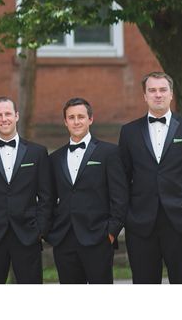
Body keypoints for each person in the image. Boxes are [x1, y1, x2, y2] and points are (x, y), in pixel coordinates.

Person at [118, 72, 182, 284]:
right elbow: (121, 178)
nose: (157, 95)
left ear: (171, 94)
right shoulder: (129, 132)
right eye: (152, 90)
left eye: (162, 90)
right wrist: (125, 215)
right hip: (140, 223)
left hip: (181, 221)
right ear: (144, 96)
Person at [0, 96, 52, 284]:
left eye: (8, 114)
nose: (4, 118)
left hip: (28, 234)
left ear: (16, 116)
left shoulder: (37, 152)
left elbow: (46, 196)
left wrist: (40, 229)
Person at [46, 97, 127, 283]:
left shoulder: (109, 153)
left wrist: (112, 231)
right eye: (71, 117)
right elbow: (48, 198)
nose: (76, 121)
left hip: (98, 238)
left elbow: (120, 196)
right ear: (65, 122)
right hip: (64, 239)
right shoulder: (55, 158)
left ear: (91, 119)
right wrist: (50, 233)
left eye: (81, 117)